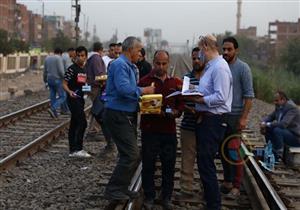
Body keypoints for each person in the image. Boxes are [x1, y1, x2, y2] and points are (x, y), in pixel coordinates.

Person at [103, 36, 155, 200]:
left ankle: (122, 187)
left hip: (126, 113)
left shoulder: (129, 66)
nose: (140, 53)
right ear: (130, 49)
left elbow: (129, 89)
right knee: (131, 154)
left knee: (130, 153)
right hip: (118, 114)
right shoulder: (120, 65)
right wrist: (144, 91)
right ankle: (113, 189)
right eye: (138, 50)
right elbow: (124, 89)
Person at [186, 34, 232, 210]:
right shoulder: (212, 67)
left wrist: (200, 100)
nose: (199, 54)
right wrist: (193, 91)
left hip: (213, 121)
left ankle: (214, 205)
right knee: (204, 163)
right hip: (206, 119)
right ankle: (211, 202)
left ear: (206, 47)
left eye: (200, 49)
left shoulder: (219, 67)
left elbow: (221, 96)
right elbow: (210, 90)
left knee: (206, 164)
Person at [139, 50, 183, 210]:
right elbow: (137, 103)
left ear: (168, 63)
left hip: (169, 132)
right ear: (153, 62)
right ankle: (149, 196)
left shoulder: (175, 83)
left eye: (164, 64)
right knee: (148, 165)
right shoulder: (144, 82)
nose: (161, 66)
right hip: (149, 130)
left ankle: (166, 197)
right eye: (158, 63)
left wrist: (177, 112)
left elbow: (181, 105)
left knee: (168, 166)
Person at [220, 36, 255, 199]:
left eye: (229, 49)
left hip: (235, 115)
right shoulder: (220, 66)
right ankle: (227, 181)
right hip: (220, 115)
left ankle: (236, 185)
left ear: (236, 50)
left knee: (234, 152)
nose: (226, 52)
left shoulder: (243, 68)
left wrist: (244, 118)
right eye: (224, 49)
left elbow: (249, 96)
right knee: (222, 150)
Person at [176, 47, 205, 200]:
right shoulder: (187, 77)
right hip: (188, 123)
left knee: (205, 159)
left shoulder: (210, 77)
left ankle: (204, 188)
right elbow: (182, 100)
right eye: (194, 58)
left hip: (206, 125)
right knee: (187, 158)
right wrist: (188, 107)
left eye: (199, 58)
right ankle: (186, 188)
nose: (196, 61)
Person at [63, 46, 91, 158]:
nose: (80, 58)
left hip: (80, 100)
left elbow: (83, 86)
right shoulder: (71, 69)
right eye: (78, 56)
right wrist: (69, 92)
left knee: (74, 123)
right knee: (82, 123)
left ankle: (73, 150)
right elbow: (64, 83)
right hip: (73, 99)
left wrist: (89, 89)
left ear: (86, 56)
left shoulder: (84, 70)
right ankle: (78, 149)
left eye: (82, 56)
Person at [86, 42, 114, 151]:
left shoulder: (92, 57)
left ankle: (93, 130)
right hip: (96, 87)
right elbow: (99, 74)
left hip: (93, 86)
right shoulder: (97, 58)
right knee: (98, 109)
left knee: (96, 109)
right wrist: (106, 79)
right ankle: (93, 131)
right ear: (101, 50)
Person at [260, 91, 300, 161]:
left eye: (276, 100)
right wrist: (263, 122)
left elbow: (283, 124)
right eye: (274, 100)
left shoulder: (292, 108)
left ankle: (277, 154)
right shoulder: (279, 106)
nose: (274, 102)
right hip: (287, 133)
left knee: (277, 130)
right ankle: (270, 150)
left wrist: (268, 124)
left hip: (295, 137)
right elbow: (271, 116)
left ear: (283, 99)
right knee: (269, 128)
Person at [43, 48, 67, 118]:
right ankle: (53, 108)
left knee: (52, 96)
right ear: (60, 53)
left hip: (49, 79)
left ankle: (54, 114)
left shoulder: (47, 58)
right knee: (63, 96)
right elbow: (61, 71)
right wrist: (65, 78)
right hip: (57, 80)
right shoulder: (59, 58)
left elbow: (44, 71)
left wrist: (45, 80)